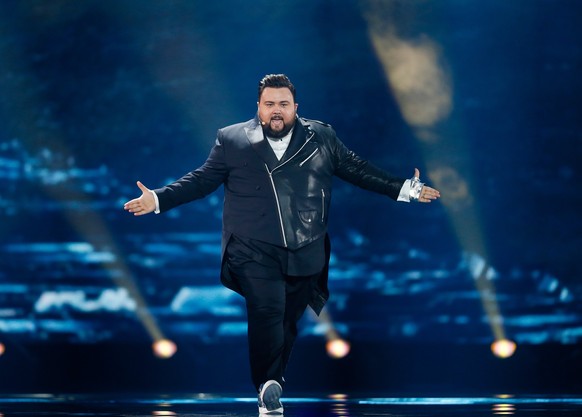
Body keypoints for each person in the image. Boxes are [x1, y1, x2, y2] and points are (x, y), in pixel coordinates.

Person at [124, 74, 440, 415]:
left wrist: (404, 189)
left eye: (284, 105)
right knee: (267, 308)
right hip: (252, 246)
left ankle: (272, 381)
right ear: (259, 107)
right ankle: (267, 386)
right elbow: (201, 180)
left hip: (306, 244)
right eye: (270, 104)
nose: (277, 111)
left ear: (295, 108)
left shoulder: (321, 137)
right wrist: (158, 199)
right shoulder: (232, 139)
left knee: (288, 320)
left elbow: (357, 169)